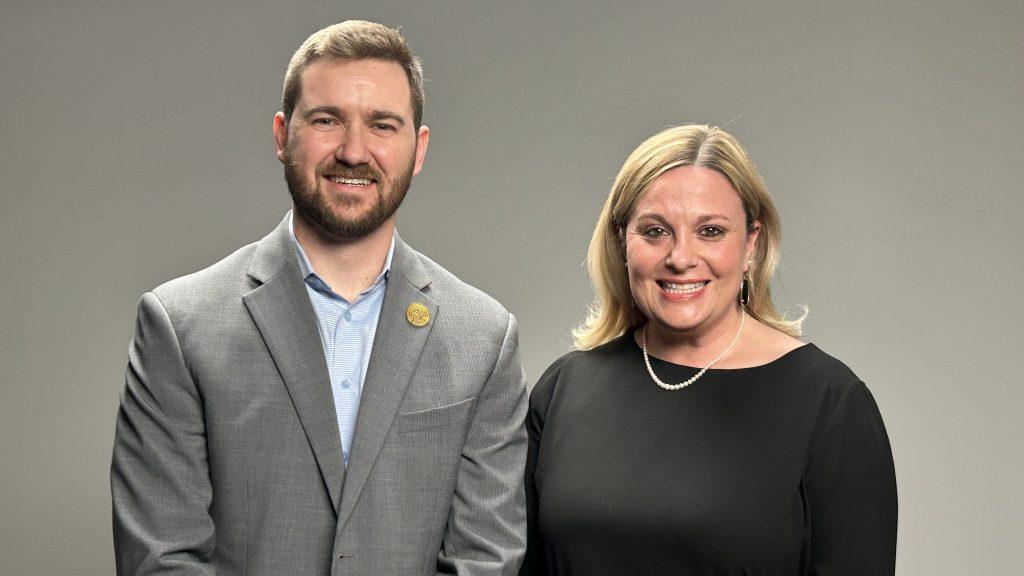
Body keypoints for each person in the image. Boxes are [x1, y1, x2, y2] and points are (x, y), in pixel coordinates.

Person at [111, 21, 527, 575]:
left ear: (418, 148)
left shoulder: (484, 338)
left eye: (382, 125)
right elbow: (160, 558)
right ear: (283, 136)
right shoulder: (180, 325)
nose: (354, 151)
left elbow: (487, 559)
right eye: (327, 120)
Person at [522, 125, 897, 575]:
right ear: (622, 240)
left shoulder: (830, 403)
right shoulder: (565, 389)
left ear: (752, 244)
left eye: (711, 231)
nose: (681, 257)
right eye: (655, 231)